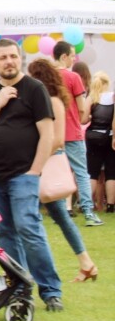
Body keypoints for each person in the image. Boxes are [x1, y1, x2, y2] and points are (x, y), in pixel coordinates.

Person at [0, 38, 63, 311]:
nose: (9, 61)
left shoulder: (35, 89)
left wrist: (35, 171)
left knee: (28, 228)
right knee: (5, 234)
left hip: (24, 174)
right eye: (3, 57)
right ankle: (20, 286)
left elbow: (47, 134)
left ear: (20, 58)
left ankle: (50, 290)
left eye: (13, 56)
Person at [26, 59, 99, 284]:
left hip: (47, 165)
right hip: (42, 164)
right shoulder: (46, 101)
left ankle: (31, 271)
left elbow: (57, 140)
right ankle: (86, 263)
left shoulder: (53, 102)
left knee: (33, 219)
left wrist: (35, 161)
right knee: (53, 218)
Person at [52, 41, 103, 226]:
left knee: (57, 173)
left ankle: (60, 211)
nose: (74, 59)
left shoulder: (48, 77)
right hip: (72, 132)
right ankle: (88, 212)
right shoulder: (74, 77)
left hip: (54, 134)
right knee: (81, 172)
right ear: (64, 56)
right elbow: (82, 109)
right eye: (72, 55)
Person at [84, 71, 115, 213]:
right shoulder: (113, 97)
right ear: (106, 84)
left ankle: (88, 204)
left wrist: (91, 117)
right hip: (110, 137)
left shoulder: (91, 98)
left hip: (93, 138)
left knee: (92, 172)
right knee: (111, 173)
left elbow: (82, 119)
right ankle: (110, 205)